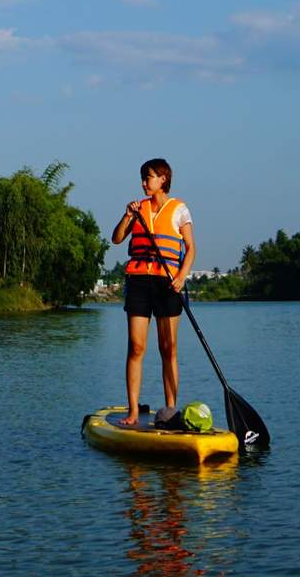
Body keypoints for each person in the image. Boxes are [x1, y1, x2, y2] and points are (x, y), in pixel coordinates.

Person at [110, 158, 195, 426]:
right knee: (136, 347)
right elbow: (117, 238)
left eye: (149, 177)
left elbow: (191, 248)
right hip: (138, 282)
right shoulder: (137, 209)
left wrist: (181, 277)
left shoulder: (179, 209)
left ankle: (170, 410)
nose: (144, 182)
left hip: (168, 284)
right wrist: (127, 215)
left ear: (163, 179)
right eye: (143, 178)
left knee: (168, 348)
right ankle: (133, 411)